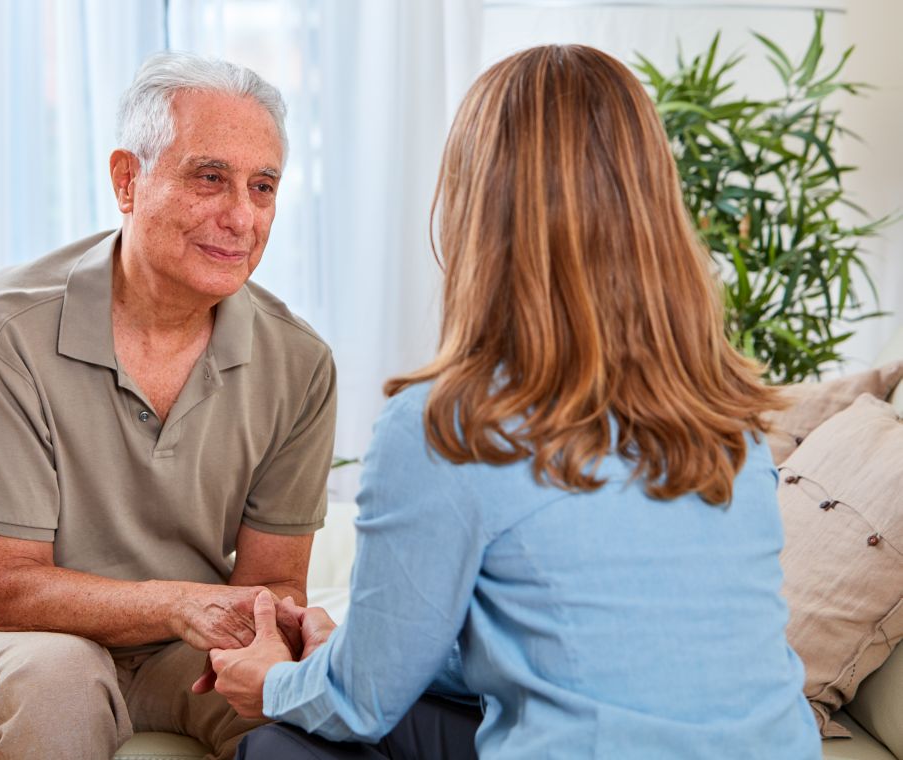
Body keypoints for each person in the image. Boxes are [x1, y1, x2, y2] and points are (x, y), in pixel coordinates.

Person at [207, 44, 822, 759]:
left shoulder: (449, 429)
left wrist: (277, 681)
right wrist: (360, 651)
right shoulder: (727, 419)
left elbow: (361, 706)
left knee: (282, 747)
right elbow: (584, 645)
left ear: (478, 210)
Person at [0, 51, 337, 760]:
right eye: (210, 178)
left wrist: (287, 638)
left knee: (302, 706)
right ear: (128, 179)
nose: (241, 216)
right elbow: (13, 592)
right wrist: (184, 603)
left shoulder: (300, 363)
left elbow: (272, 582)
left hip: (179, 652)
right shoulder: (3, 331)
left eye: (264, 187)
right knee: (61, 678)